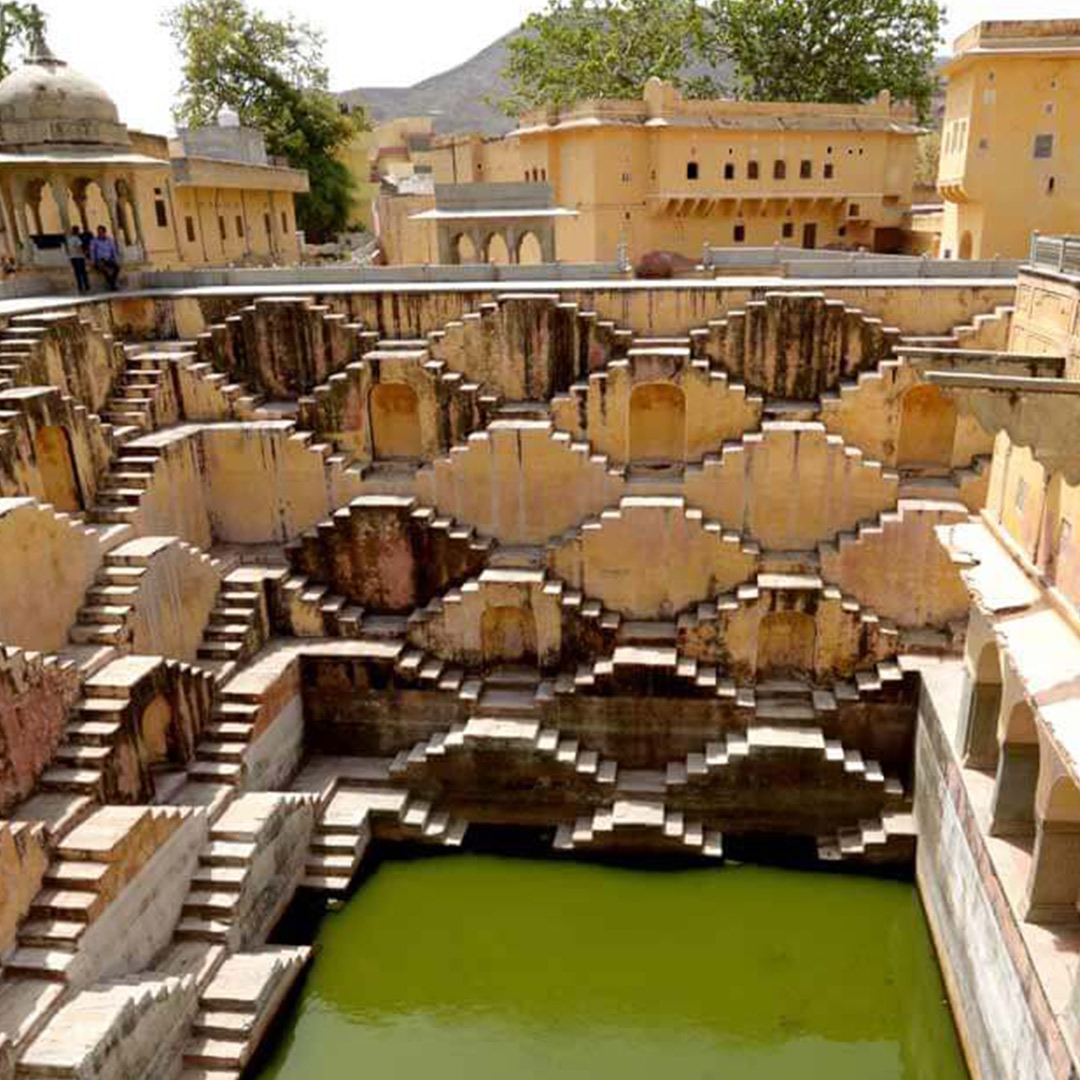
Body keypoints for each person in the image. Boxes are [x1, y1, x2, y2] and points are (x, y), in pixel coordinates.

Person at [89, 225, 121, 291]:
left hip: (108, 259)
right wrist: (93, 261)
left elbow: (113, 250)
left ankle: (112, 282)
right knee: (104, 269)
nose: (100, 234)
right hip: (100, 260)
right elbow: (92, 252)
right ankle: (113, 285)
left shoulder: (109, 240)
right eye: (98, 232)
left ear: (104, 232)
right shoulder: (94, 241)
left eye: (101, 232)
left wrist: (116, 259)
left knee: (117, 267)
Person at [65, 225, 90, 294]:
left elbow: (67, 249)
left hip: (73, 257)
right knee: (83, 272)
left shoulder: (69, 239)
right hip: (79, 257)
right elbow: (79, 247)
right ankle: (86, 286)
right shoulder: (77, 239)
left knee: (77, 273)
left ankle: (80, 287)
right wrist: (85, 253)